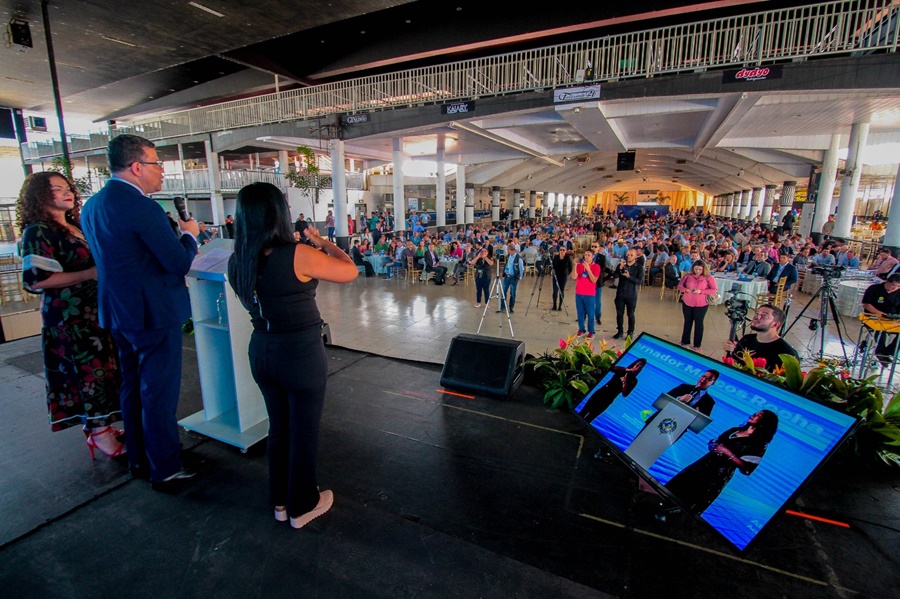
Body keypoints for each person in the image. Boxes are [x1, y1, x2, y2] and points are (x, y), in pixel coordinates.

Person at [228, 182, 357, 528]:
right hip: (299, 353)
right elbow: (349, 270)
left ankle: (281, 501)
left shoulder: (237, 260)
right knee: (304, 430)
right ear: (279, 214)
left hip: (262, 351)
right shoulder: (297, 253)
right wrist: (323, 242)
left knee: (279, 427)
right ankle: (303, 505)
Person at [81, 134, 200, 490]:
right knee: (158, 393)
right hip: (152, 313)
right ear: (137, 167)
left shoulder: (93, 205)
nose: (161, 171)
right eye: (156, 163)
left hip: (118, 312)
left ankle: (138, 457)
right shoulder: (142, 207)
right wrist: (190, 235)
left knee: (132, 387)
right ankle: (165, 468)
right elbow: (177, 262)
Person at [18, 172, 125, 460]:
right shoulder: (38, 231)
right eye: (57, 189)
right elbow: (35, 280)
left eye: (68, 188)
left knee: (102, 371)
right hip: (69, 320)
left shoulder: (72, 226)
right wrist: (89, 273)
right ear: (40, 195)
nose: (67, 193)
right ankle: (99, 433)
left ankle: (102, 427)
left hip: (93, 314)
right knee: (88, 374)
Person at [665, 410, 779, 513]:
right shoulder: (735, 430)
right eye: (756, 413)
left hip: (716, 476)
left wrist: (728, 453)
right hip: (701, 466)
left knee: (691, 500)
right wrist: (714, 445)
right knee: (675, 488)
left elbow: (747, 469)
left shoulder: (759, 444)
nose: (754, 415)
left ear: (765, 422)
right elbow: (716, 442)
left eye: (759, 415)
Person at [722, 303, 799, 372]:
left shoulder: (787, 353)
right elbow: (734, 363)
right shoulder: (747, 339)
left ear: (775, 324)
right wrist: (729, 348)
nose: (757, 317)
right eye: (757, 313)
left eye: (764, 315)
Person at [577, 358, 647, 422]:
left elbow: (625, 394)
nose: (637, 368)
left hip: (608, 399)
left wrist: (624, 382)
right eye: (637, 365)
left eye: (640, 367)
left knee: (590, 417)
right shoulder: (622, 370)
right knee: (583, 411)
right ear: (634, 364)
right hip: (601, 392)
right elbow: (611, 368)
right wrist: (627, 370)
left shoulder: (634, 381)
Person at [678, 260, 718, 350]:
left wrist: (701, 291)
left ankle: (697, 344)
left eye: (700, 269)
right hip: (687, 302)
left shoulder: (709, 278)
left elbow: (714, 289)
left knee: (699, 323)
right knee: (687, 321)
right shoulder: (687, 276)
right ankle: (685, 341)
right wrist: (687, 290)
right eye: (696, 269)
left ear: (704, 269)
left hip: (701, 304)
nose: (698, 271)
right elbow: (680, 286)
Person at [861, 274, 900, 365]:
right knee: (880, 329)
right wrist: (881, 314)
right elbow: (866, 304)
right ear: (887, 282)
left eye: (898, 286)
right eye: (893, 285)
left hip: (892, 319)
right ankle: (880, 351)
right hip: (873, 317)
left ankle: (887, 353)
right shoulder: (874, 289)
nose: (895, 288)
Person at [612, 249, 642, 340]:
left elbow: (639, 281)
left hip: (631, 294)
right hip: (620, 294)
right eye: (628, 254)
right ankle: (620, 331)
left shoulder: (639, 268)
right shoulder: (622, 265)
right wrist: (619, 269)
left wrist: (629, 277)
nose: (629, 256)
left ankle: (630, 332)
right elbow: (615, 276)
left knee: (631, 314)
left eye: (631, 255)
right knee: (619, 314)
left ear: (636, 256)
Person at [572, 249, 601, 339]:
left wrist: (588, 269)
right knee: (580, 313)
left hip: (589, 294)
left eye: (589, 255)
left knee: (590, 313)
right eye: (585, 255)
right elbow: (574, 277)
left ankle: (591, 331)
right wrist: (575, 265)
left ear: (593, 256)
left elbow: (594, 280)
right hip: (579, 293)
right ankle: (581, 329)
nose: (586, 257)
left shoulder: (596, 267)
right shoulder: (580, 265)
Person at [498, 244, 525, 314]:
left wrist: (519, 277)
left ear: (511, 250)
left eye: (507, 250)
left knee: (512, 293)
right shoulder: (508, 256)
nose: (507, 251)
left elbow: (521, 269)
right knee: (503, 292)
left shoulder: (518, 258)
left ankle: (511, 307)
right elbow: (507, 264)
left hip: (514, 277)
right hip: (507, 276)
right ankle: (503, 307)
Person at [551, 246, 573, 311]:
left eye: (563, 250)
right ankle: (554, 305)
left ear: (565, 251)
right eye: (561, 250)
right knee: (555, 291)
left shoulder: (567, 258)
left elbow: (570, 267)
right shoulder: (556, 257)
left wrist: (567, 273)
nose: (562, 251)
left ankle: (560, 305)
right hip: (556, 276)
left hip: (563, 276)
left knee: (561, 290)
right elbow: (553, 266)